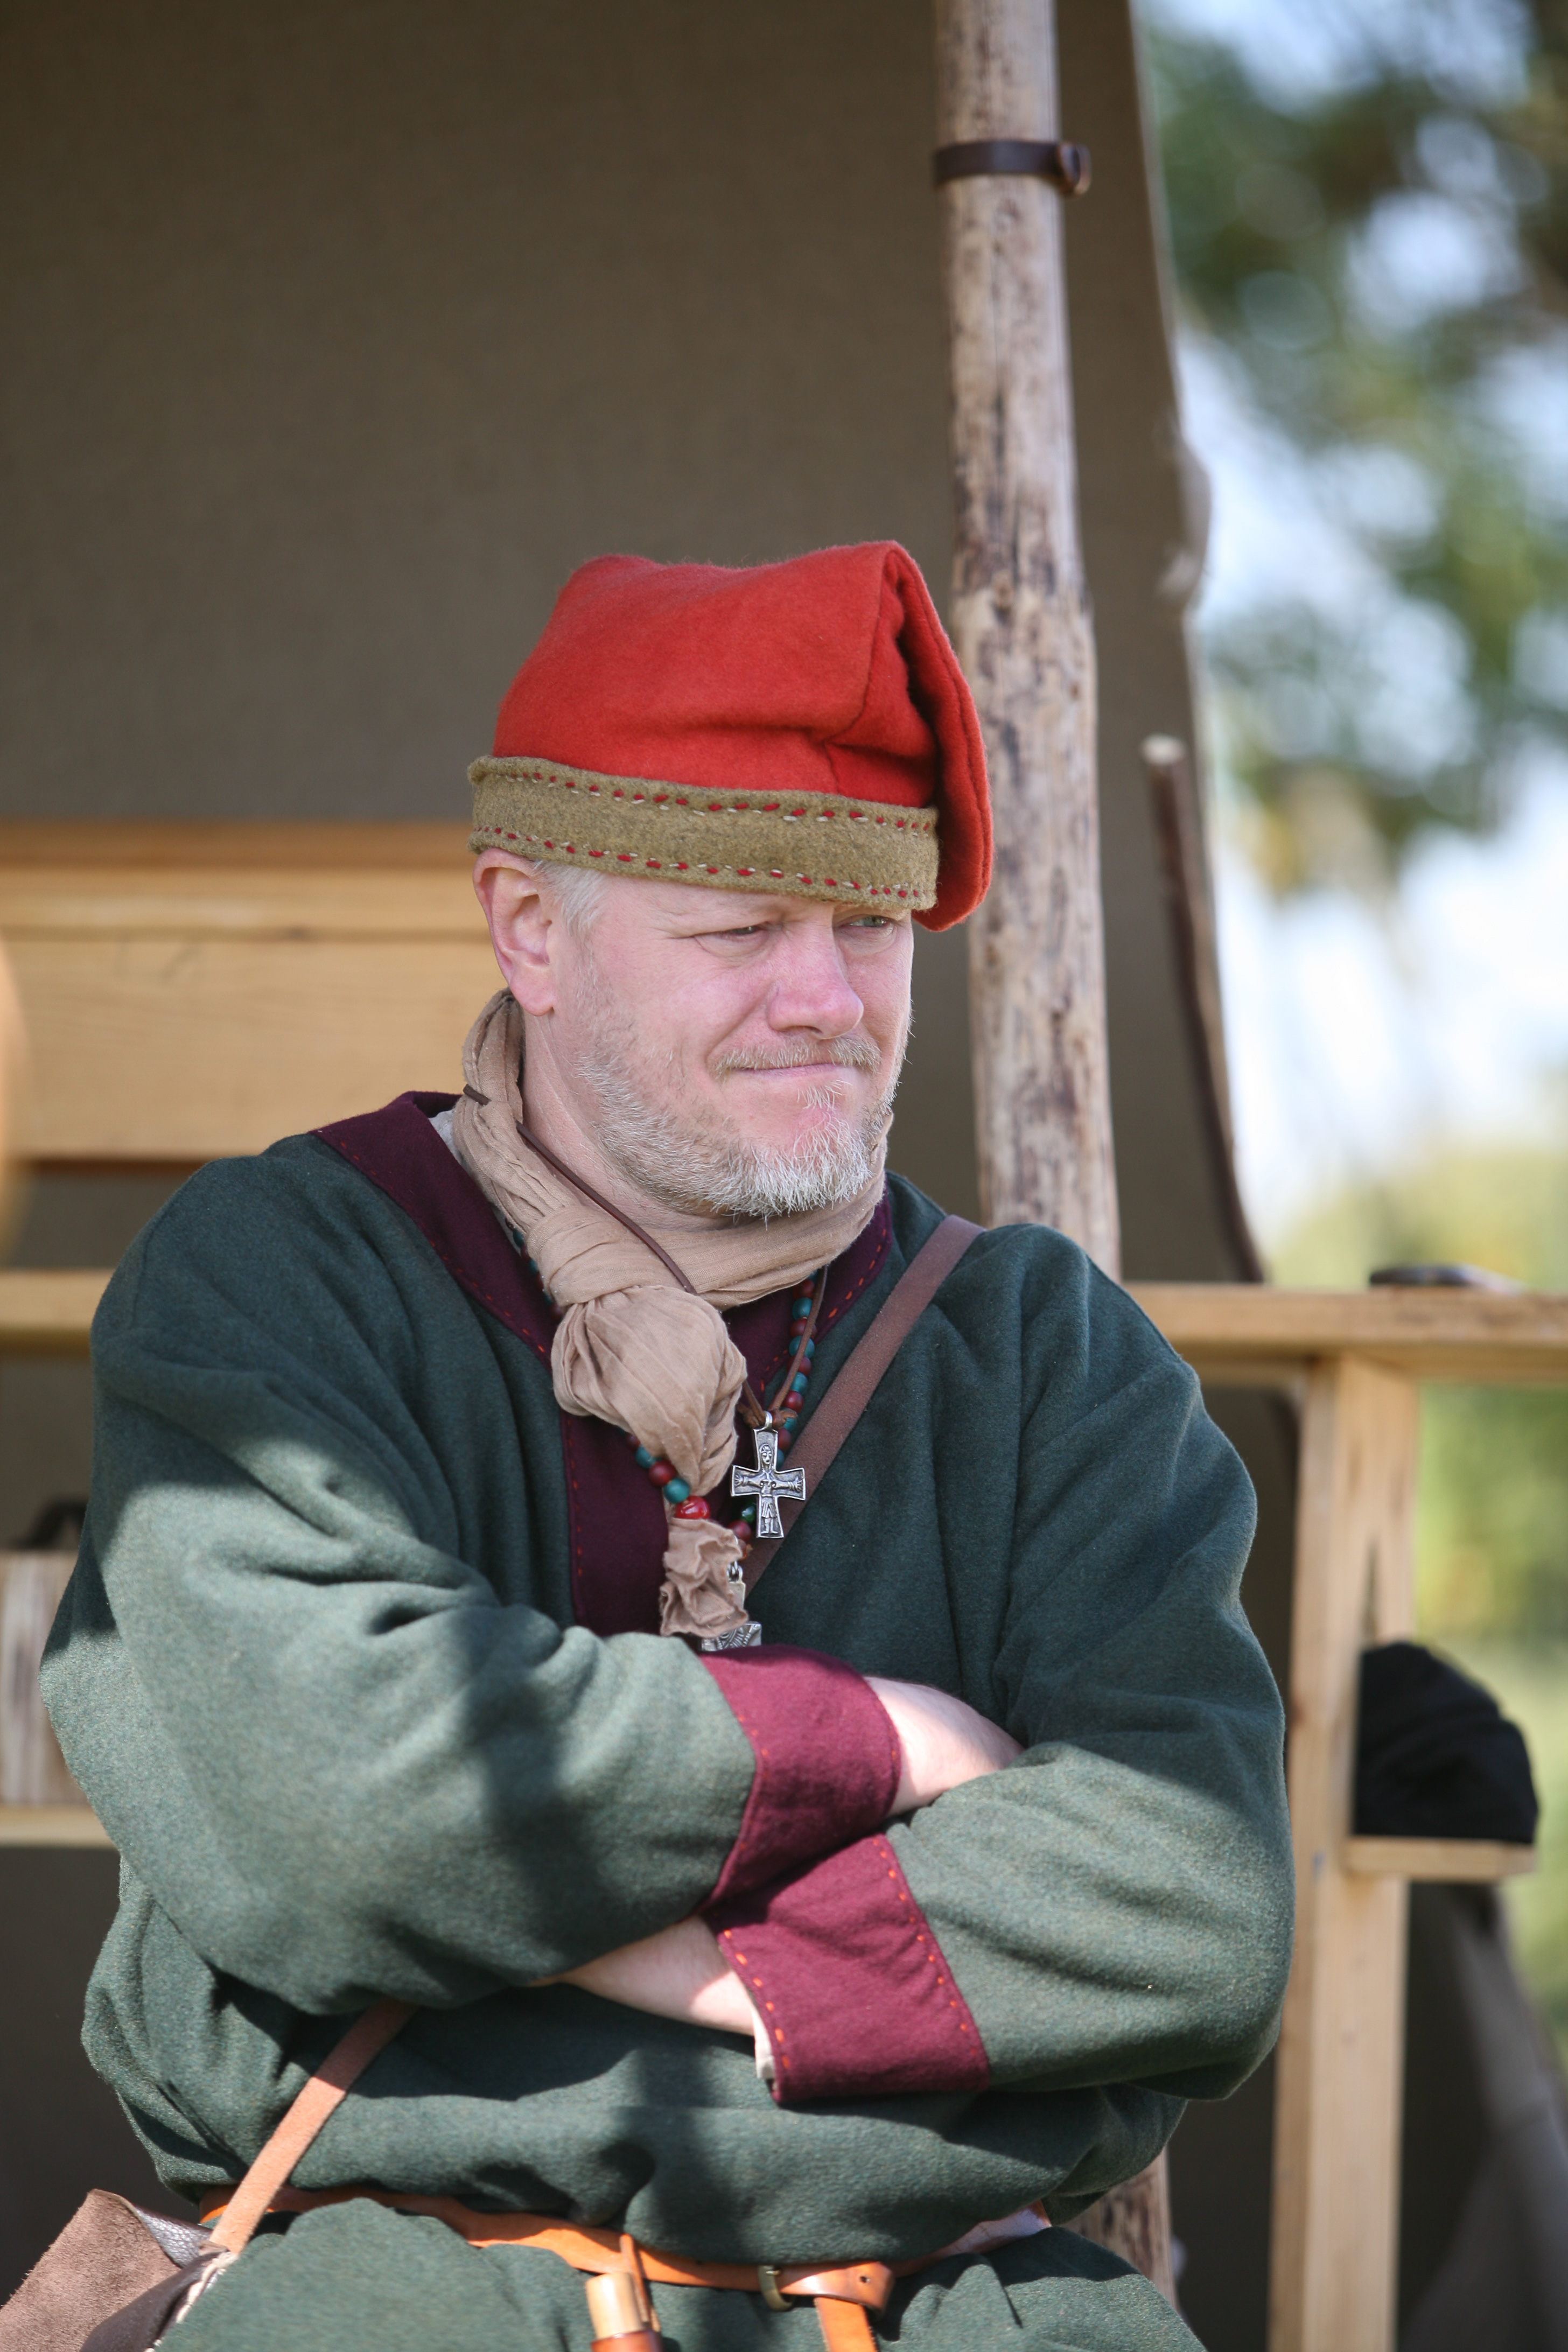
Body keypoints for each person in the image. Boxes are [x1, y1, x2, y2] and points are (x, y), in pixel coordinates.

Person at [43, 542, 1292, 2351]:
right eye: (742, 930)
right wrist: (881, 1742)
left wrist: (655, 1949)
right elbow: (350, 1815)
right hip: (401, 2285)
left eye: (869, 928)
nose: (827, 997)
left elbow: (1200, 1907)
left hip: (951, 2303)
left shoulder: (1047, 1354)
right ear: (530, 928)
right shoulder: (277, 1280)